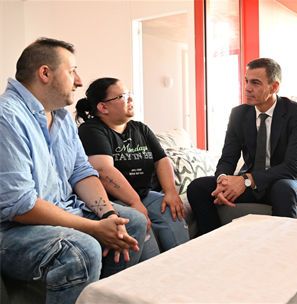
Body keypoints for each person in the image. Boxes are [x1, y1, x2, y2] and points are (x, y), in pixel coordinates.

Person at [0, 38, 149, 304]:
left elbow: (81, 171)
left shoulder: (61, 117)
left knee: (131, 222)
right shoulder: (6, 118)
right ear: (45, 73)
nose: (79, 81)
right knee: (82, 249)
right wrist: (93, 228)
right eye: (72, 71)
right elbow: (21, 205)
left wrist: (109, 215)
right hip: (12, 229)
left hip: (63, 210)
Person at [187, 58, 297, 236]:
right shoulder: (238, 114)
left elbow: (293, 168)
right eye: (246, 81)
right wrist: (222, 181)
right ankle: (215, 241)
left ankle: (280, 251)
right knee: (197, 187)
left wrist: (246, 180)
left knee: (283, 189)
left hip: (287, 181)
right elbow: (228, 158)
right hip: (253, 184)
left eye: (255, 83)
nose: (247, 88)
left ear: (274, 87)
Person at [75, 77, 189, 256]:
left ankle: (184, 266)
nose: (130, 99)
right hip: (112, 201)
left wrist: (171, 192)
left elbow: (161, 160)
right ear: (103, 107)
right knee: (140, 225)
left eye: (130, 94)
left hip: (143, 194)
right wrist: (134, 202)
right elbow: (103, 170)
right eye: (123, 96)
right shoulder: (91, 130)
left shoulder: (140, 128)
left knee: (173, 209)